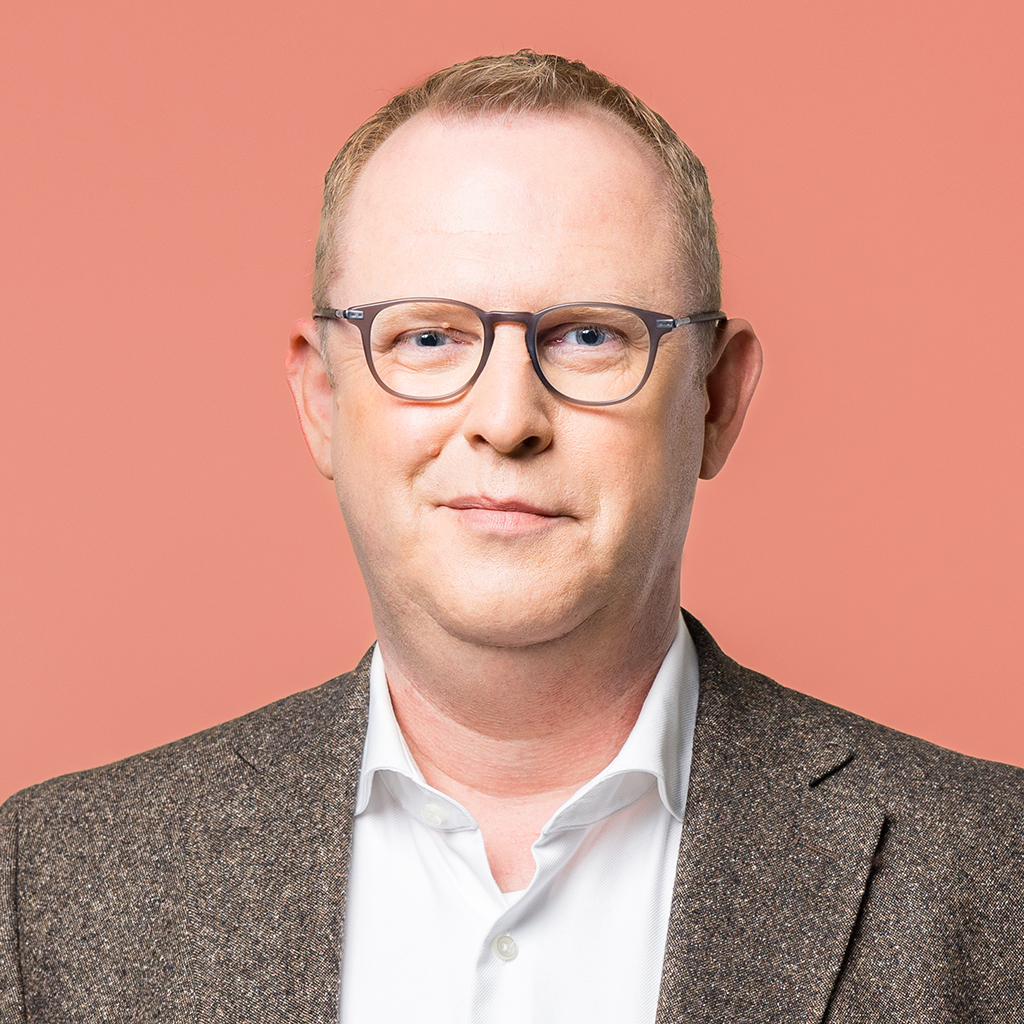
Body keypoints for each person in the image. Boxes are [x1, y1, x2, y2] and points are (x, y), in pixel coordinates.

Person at [1, 50, 1022, 1023]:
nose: (505, 418)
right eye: (427, 336)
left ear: (715, 398)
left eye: (588, 334)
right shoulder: (48, 888)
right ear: (321, 400)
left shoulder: (992, 876)